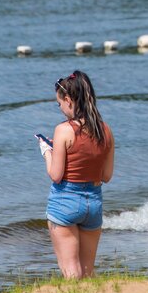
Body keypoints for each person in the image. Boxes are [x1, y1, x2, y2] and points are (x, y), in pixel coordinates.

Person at [40, 70, 115, 278]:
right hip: (94, 202)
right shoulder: (105, 130)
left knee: (71, 272)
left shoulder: (64, 130)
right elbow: (106, 176)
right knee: (86, 272)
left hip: (66, 200)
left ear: (69, 100)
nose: (61, 109)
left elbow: (56, 175)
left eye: (60, 104)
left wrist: (47, 152)